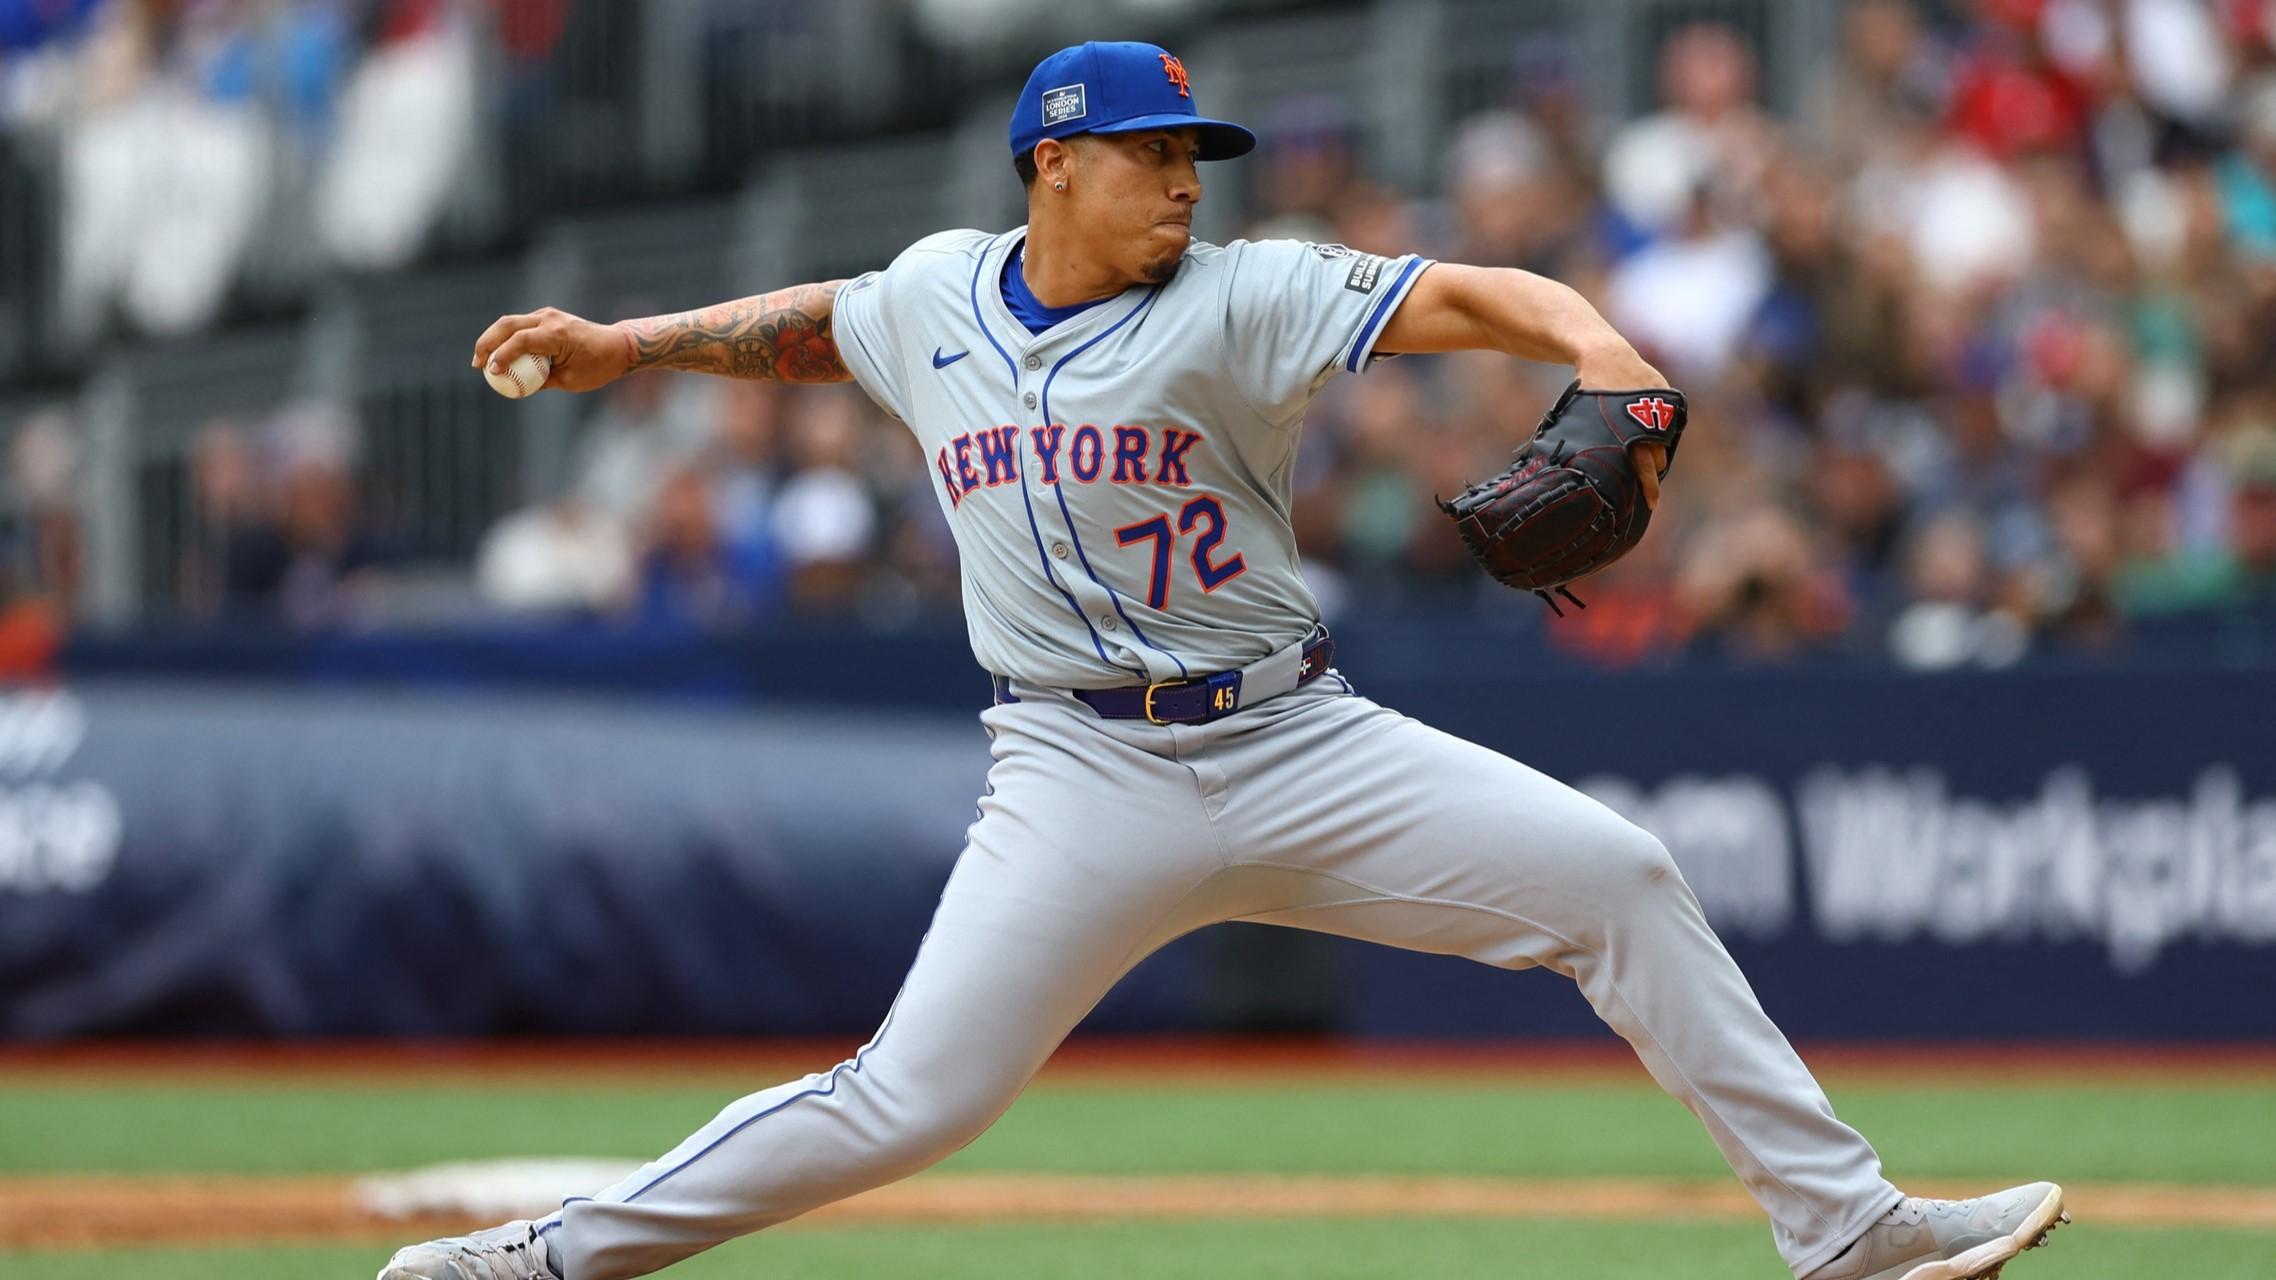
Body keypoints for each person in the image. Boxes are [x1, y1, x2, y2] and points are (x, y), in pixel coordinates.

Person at [382, 41, 2066, 1280]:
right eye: (1147, 153)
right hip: (1077, 774)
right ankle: (534, 1265)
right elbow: (828, 321)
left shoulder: (1240, 294)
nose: (1186, 181)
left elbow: (1477, 299)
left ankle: (1846, 1232)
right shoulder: (933, 296)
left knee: (1620, 879)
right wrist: (627, 345)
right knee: (909, 1102)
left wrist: (1604, 346)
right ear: (1053, 166)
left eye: (1195, 152)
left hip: (1296, 742)